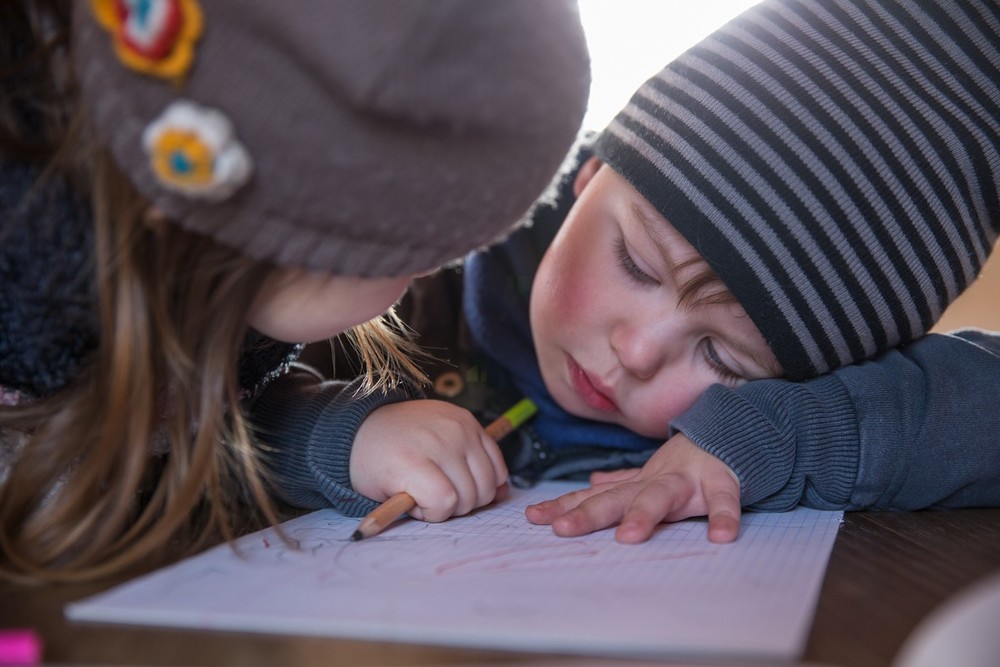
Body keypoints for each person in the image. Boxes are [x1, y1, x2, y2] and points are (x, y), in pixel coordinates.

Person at [291, 0, 1000, 544]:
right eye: (635, 263)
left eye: (723, 354)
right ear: (590, 172)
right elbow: (202, 404)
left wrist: (778, 435)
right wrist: (341, 436)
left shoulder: (789, 405)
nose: (636, 351)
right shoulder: (406, 280)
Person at [0, 0, 590, 581]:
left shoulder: (217, 286)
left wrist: (345, 439)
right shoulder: (27, 298)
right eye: (420, 260)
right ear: (301, 235)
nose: (425, 283)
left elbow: (214, 421)